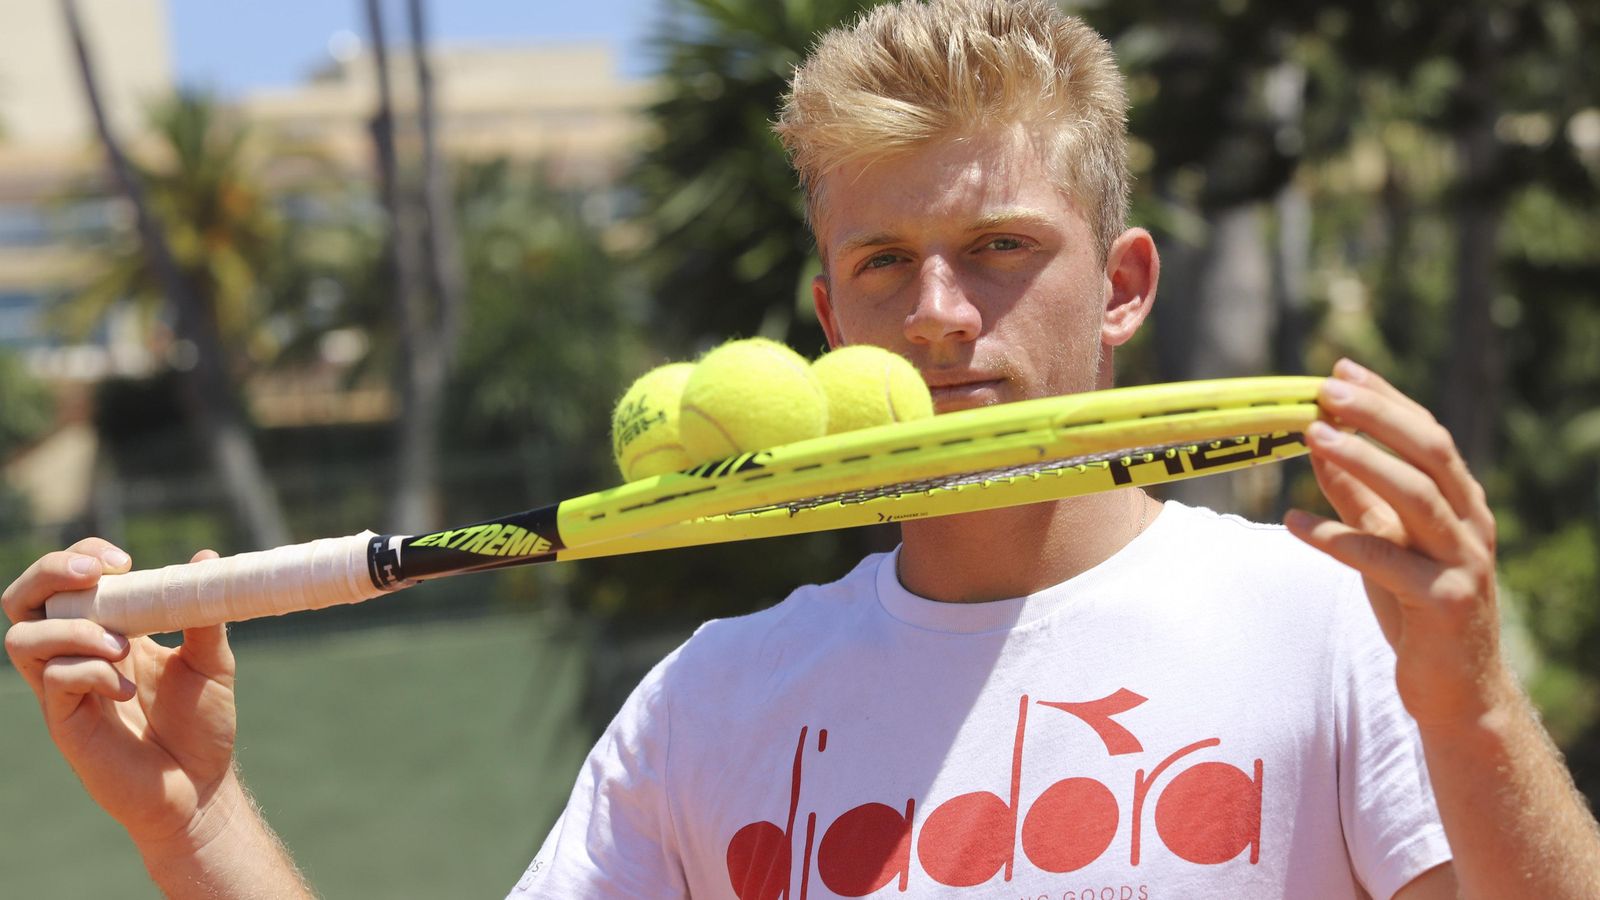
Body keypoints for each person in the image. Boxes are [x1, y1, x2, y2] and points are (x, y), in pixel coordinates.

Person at [6, 1, 1600, 897]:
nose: (942, 316)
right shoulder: (709, 703)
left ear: (1122, 290)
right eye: (886, 265)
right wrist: (192, 820)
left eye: (999, 247)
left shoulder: (1324, 626)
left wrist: (1466, 699)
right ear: (827, 310)